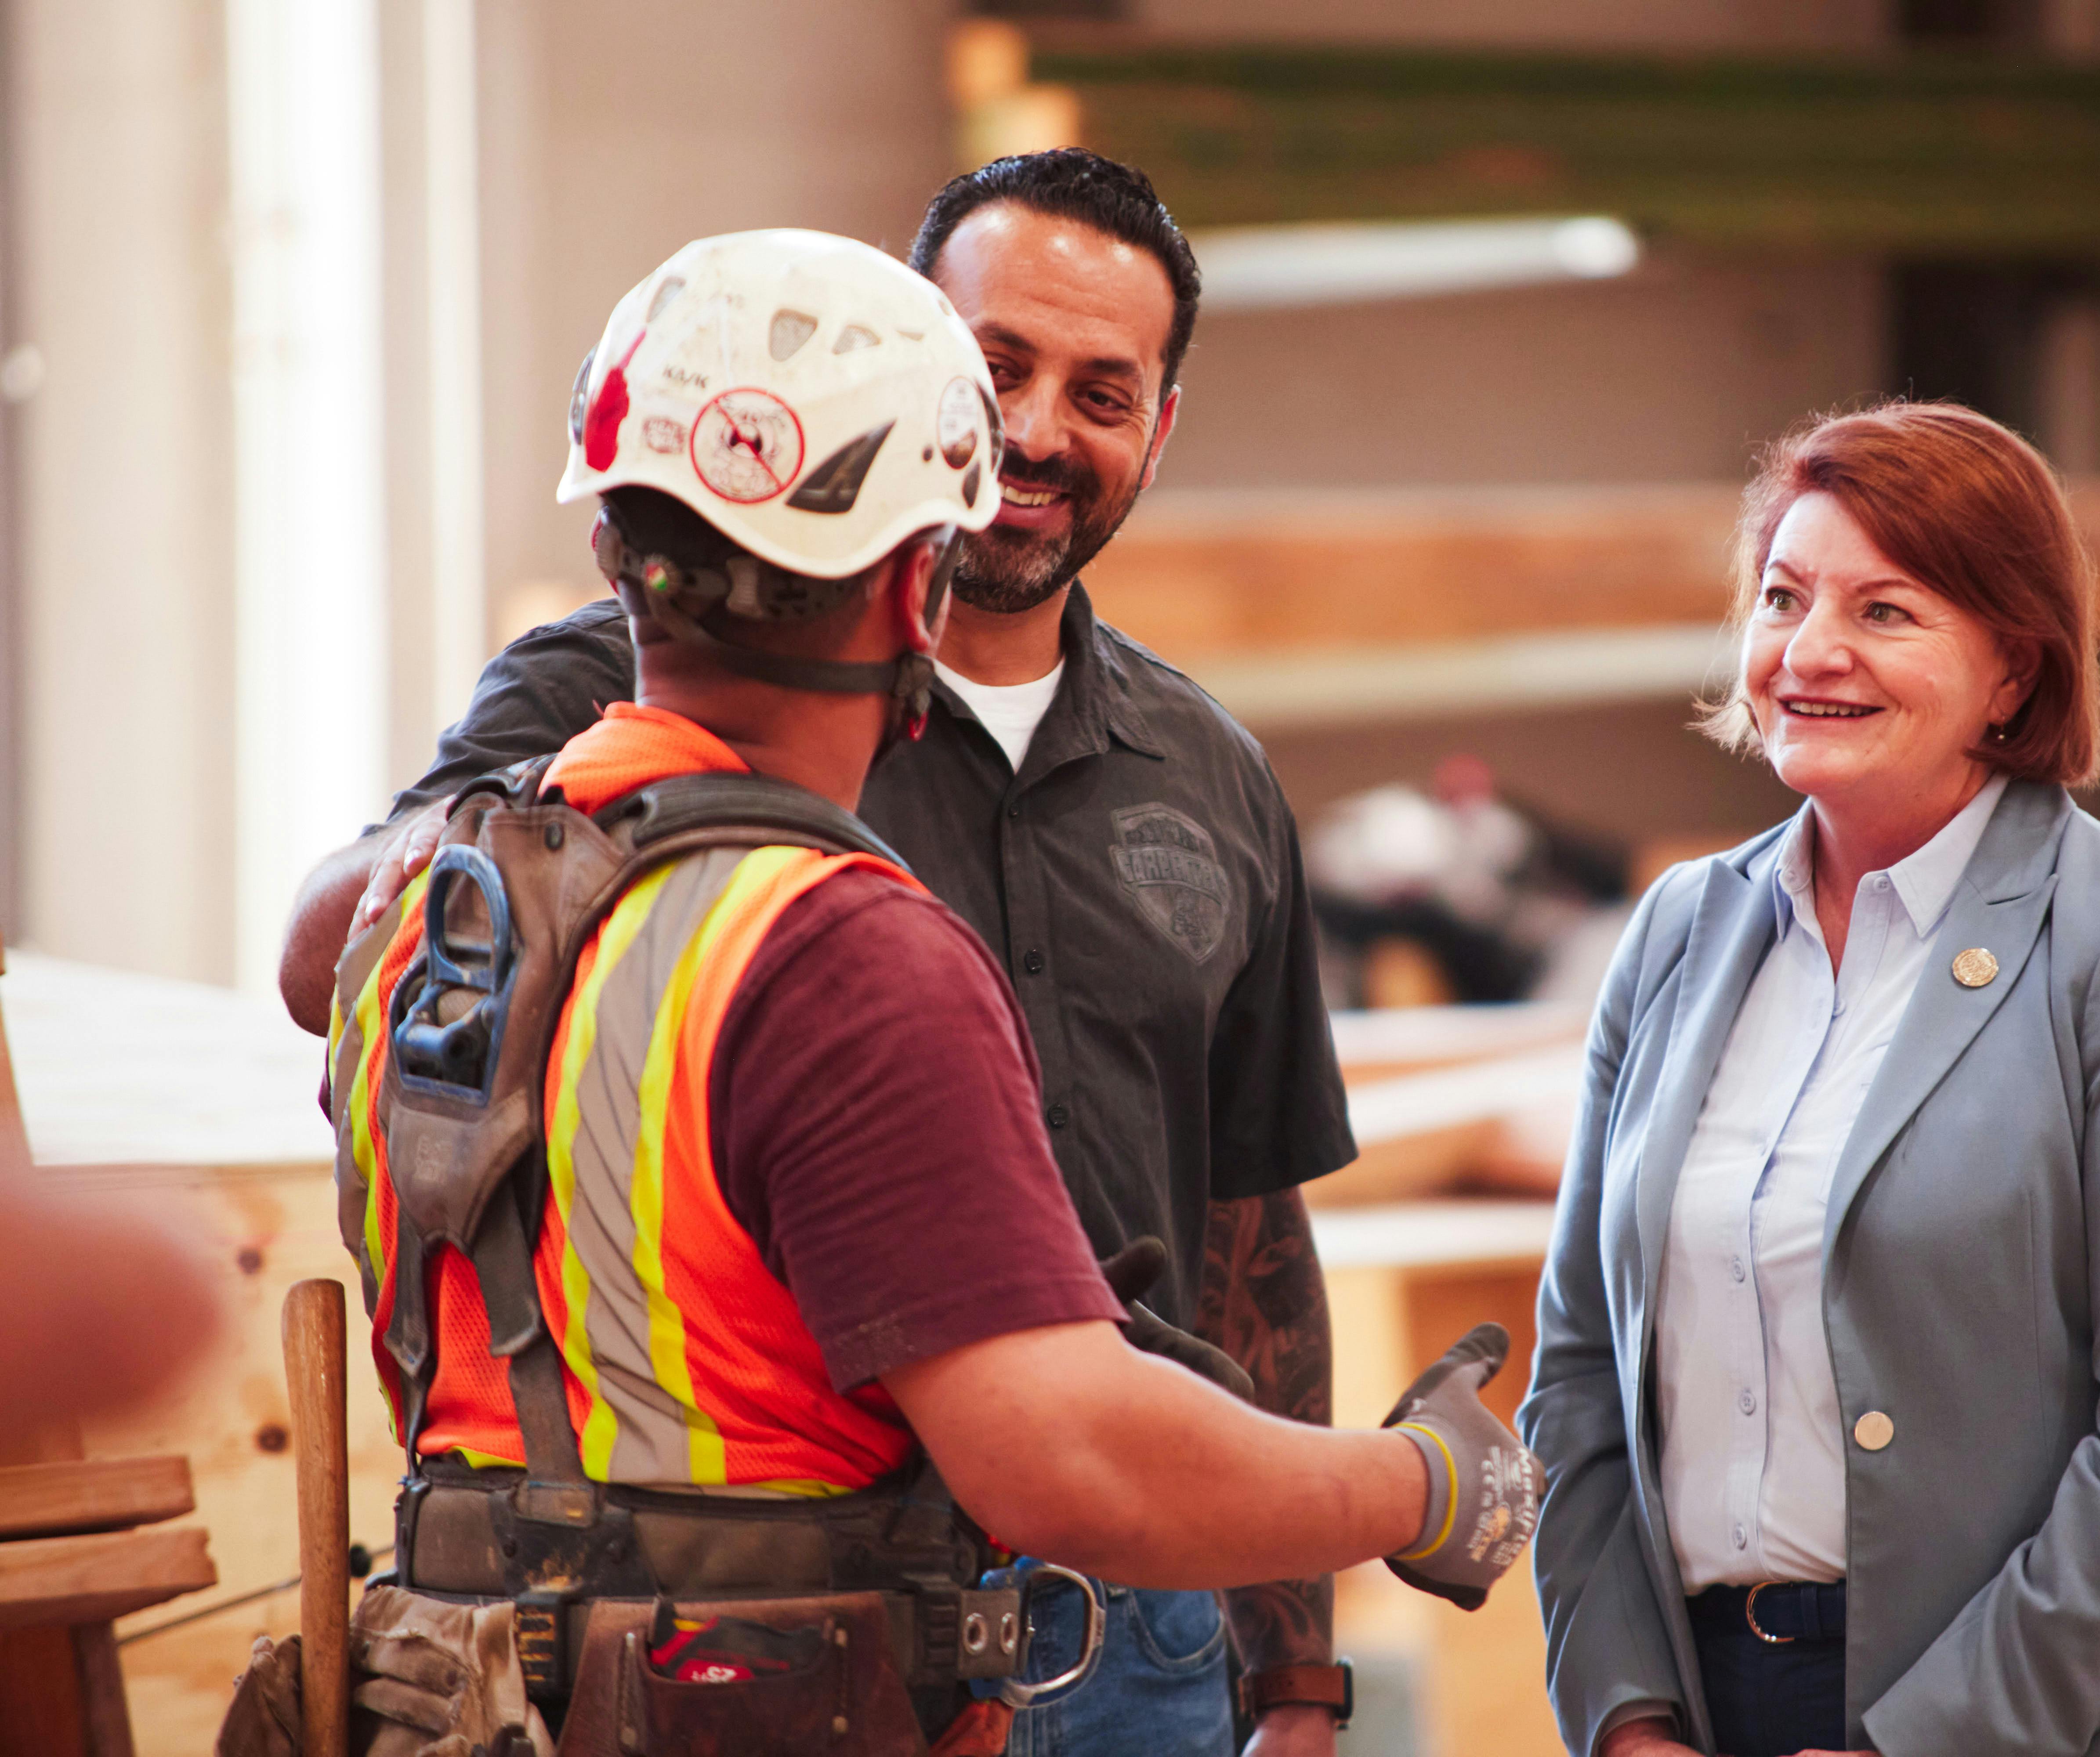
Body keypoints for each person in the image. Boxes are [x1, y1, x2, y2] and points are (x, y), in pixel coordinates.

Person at [222, 231, 1539, 1757]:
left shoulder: (432, 916)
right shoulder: (838, 951)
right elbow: (1068, 1463)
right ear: (924, 587)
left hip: (473, 1685)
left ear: (610, 551)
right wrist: (1429, 1484)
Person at [1521, 403, 2100, 1757]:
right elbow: (1582, 1376)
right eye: (1783, 597)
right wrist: (1627, 1712)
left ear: (2012, 670)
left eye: (1886, 612)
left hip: (2042, 1718)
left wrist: (1923, 1743)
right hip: (1704, 1707)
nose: (1811, 652)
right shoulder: (1678, 932)